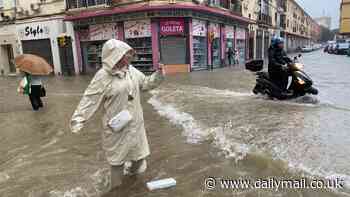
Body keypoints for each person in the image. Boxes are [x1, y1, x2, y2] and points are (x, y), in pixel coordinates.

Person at [70, 39, 164, 190]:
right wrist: (79, 118)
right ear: (114, 56)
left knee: (139, 157)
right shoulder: (103, 76)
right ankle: (116, 191)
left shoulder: (131, 71)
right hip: (117, 128)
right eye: (124, 55)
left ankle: (133, 184)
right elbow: (90, 98)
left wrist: (158, 74)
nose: (128, 58)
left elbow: (145, 84)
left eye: (128, 55)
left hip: (135, 124)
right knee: (117, 162)